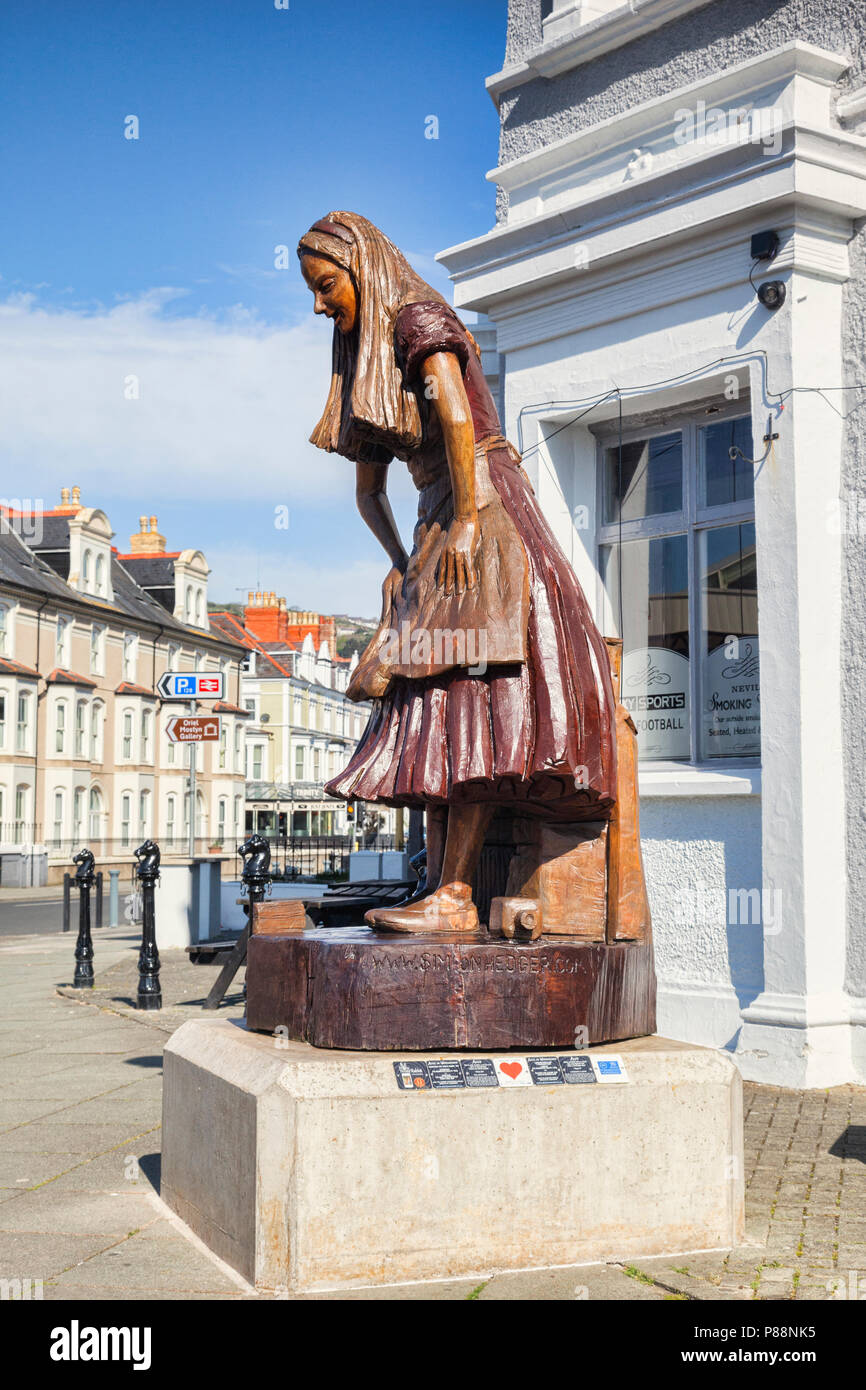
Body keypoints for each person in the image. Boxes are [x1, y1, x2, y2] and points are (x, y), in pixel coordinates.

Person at [298, 211, 618, 933]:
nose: (320, 306)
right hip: (439, 512)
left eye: (325, 287)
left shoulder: (417, 318)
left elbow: (457, 417)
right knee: (438, 698)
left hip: (485, 500)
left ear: (360, 266)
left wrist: (469, 520)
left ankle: (454, 896)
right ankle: (442, 889)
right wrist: (401, 563)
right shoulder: (372, 357)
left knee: (466, 692)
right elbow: (369, 490)